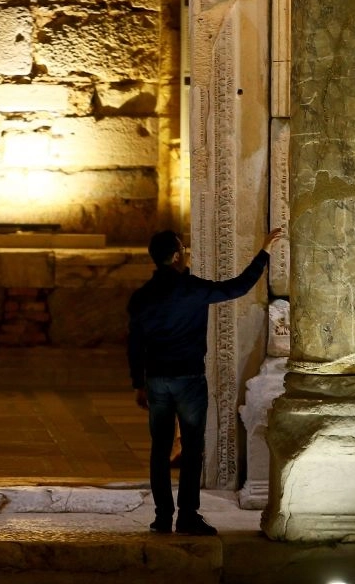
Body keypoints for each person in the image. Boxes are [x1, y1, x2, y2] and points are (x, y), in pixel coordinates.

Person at [127, 227, 282, 535]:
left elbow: (134, 343)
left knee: (159, 449)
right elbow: (238, 287)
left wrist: (138, 383)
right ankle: (186, 516)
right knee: (192, 446)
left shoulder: (142, 296)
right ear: (175, 256)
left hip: (157, 380)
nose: (185, 252)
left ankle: (161, 517)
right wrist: (264, 251)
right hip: (188, 380)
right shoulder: (191, 289)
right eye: (182, 249)